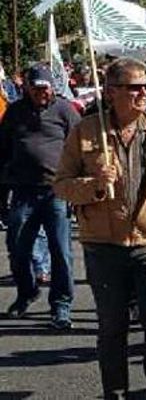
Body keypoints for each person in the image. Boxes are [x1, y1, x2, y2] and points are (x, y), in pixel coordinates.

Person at [54, 57, 146, 400]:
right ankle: (115, 393)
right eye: (134, 87)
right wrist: (95, 184)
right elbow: (61, 185)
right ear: (112, 91)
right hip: (104, 244)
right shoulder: (87, 131)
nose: (143, 92)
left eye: (145, 86)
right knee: (112, 329)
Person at [1, 64, 80, 328]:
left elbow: (80, 145)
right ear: (27, 88)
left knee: (61, 251)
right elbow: (2, 147)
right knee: (17, 247)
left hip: (56, 191)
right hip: (23, 191)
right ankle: (27, 292)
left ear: (52, 88)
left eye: (44, 88)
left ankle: (61, 305)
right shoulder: (14, 112)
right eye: (34, 89)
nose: (40, 93)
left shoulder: (64, 111)